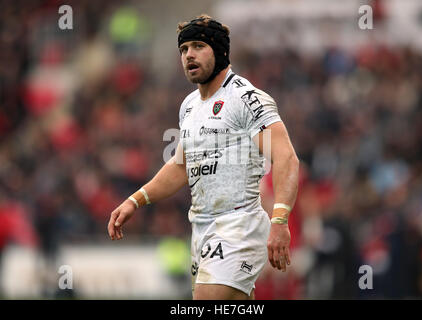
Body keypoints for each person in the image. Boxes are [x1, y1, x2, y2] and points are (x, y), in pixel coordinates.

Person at [107, 14, 299, 300]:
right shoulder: (189, 106)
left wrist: (280, 220)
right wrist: (135, 200)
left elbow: (286, 159)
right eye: (184, 50)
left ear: (220, 51)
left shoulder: (246, 98)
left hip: (238, 224)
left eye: (198, 46)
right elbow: (180, 166)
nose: (189, 55)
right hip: (202, 228)